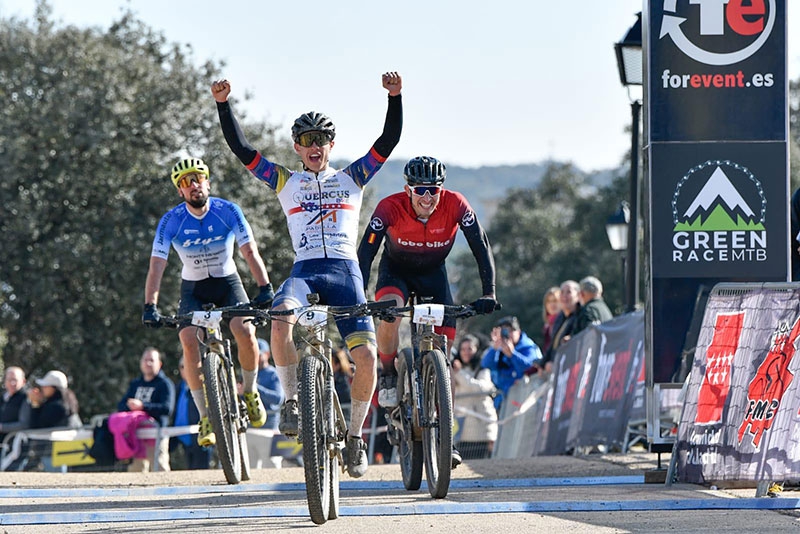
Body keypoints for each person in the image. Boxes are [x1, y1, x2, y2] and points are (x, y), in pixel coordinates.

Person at [211, 71, 403, 478]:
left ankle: (353, 440)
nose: (315, 147)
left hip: (344, 272)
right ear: (297, 147)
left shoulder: (353, 177)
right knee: (280, 321)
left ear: (331, 144)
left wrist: (394, 97)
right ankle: (293, 400)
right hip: (306, 271)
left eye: (322, 140)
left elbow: (387, 142)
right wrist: (223, 105)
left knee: (366, 357)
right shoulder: (286, 180)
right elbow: (242, 149)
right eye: (307, 141)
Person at [142, 156, 274, 450]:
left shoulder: (228, 211)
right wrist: (149, 305)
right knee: (189, 338)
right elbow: (157, 266)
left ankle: (250, 392)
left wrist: (265, 287)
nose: (193, 186)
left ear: (207, 181)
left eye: (197, 178)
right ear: (180, 191)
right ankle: (205, 416)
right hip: (194, 288)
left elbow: (249, 251)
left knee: (244, 329)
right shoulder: (171, 220)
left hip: (228, 282)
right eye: (185, 182)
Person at [357, 155, 497, 408]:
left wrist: (489, 292)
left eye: (433, 190)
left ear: (441, 189)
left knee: (445, 359)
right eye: (420, 190)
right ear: (407, 189)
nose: (427, 197)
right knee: (390, 312)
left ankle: (446, 436)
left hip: (433, 274)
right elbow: (366, 252)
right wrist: (360, 293)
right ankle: (388, 371)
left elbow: (480, 245)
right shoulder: (389, 207)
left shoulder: (455, 204)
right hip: (396, 271)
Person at [116, 347, 176, 472]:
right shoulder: (135, 384)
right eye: (145, 360)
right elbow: (121, 405)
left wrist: (143, 406)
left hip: (157, 434)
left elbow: (167, 409)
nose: (148, 363)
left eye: (151, 360)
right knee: (136, 471)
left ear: (159, 364)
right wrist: (130, 407)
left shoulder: (165, 384)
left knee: (159, 468)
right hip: (136, 435)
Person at [481, 316, 542, 413]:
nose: (508, 335)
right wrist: (494, 348)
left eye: (511, 331)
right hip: (503, 401)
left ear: (519, 331)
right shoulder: (499, 350)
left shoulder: (529, 347)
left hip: (525, 400)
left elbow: (531, 367)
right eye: (504, 332)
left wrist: (512, 355)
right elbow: (486, 364)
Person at [451, 334, 498, 459]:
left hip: (481, 431)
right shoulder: (452, 372)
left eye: (470, 349)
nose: (466, 352)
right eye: (463, 349)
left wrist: (459, 373)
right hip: (462, 432)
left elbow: (480, 388)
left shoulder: (482, 371)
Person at [172, 356, 212, 470]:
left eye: (189, 366)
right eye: (182, 367)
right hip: (184, 438)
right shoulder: (179, 387)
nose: (186, 369)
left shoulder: (205, 387)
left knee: (201, 469)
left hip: (200, 435)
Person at [540, 280, 581, 373]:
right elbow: (552, 344)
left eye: (569, 292)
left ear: (578, 295)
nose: (564, 296)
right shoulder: (560, 318)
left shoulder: (580, 317)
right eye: (562, 292)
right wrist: (542, 364)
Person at [255, 338, 283, 430]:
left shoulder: (274, 374)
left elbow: (278, 399)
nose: (255, 357)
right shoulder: (250, 374)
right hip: (251, 423)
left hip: (269, 423)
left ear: (267, 354)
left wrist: (255, 388)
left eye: (258, 354)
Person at [0, 366, 31, 443]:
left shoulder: (26, 398)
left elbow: (24, 424)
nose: (12, 383)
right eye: (9, 379)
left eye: (15, 380)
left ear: (23, 381)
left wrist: (2, 427)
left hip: (15, 446)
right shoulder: (2, 397)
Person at [541, 286, 562, 355]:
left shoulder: (565, 322)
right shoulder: (547, 326)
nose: (552, 304)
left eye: (555, 301)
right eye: (549, 301)